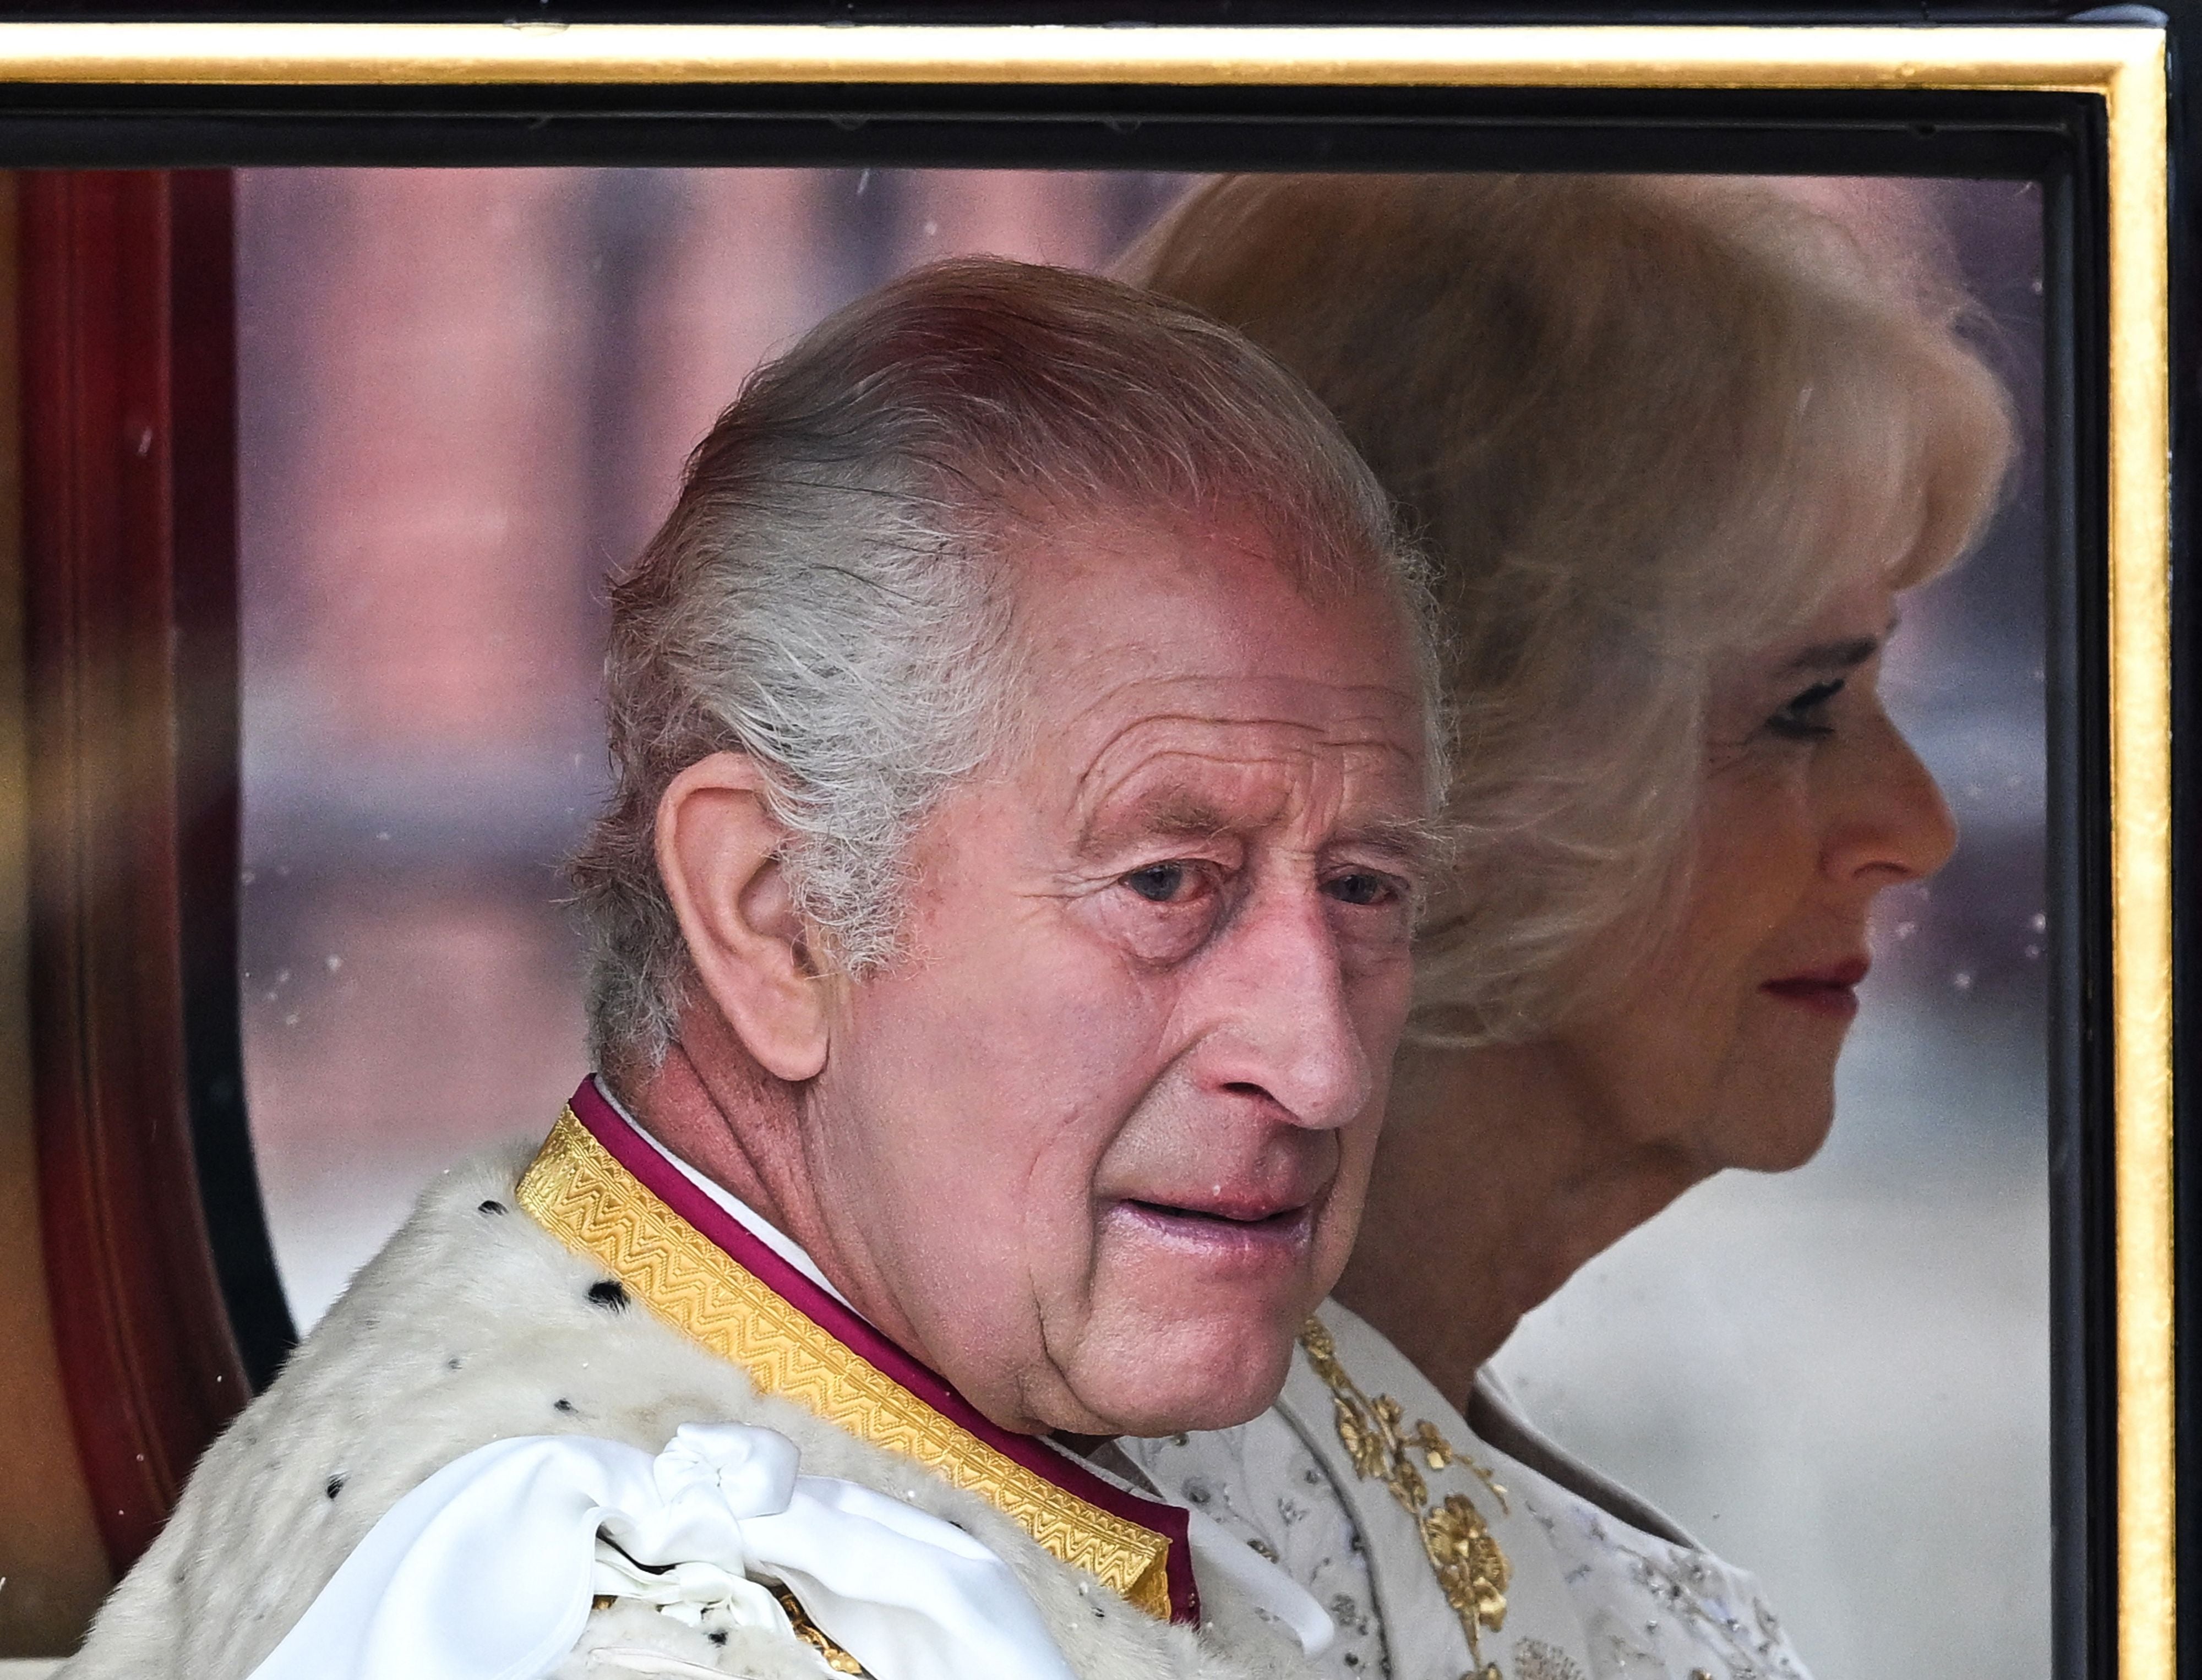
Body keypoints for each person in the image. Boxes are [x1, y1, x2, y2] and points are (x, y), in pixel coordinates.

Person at [58, 257, 1452, 1680]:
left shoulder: (1159, 1390)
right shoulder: (617, 1618)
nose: (1320, 1062)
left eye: (1363, 887)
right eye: (1166, 883)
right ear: (780, 919)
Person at [1117, 173, 2014, 1680]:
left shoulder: (1385, 1492)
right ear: (1452, 770)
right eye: (1804, 710)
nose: (1915, 823)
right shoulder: (1088, 1574)